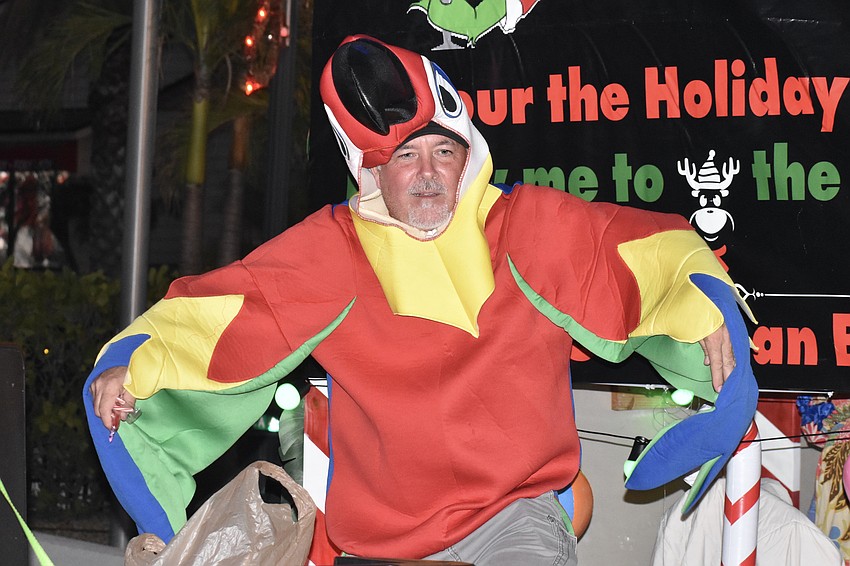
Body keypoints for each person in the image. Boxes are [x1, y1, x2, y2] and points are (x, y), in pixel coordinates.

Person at [86, 35, 756, 565]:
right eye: (406, 157)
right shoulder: (330, 254)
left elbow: (648, 252)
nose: (429, 173)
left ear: (470, 156)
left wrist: (703, 305)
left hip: (514, 518)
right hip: (382, 545)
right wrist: (133, 366)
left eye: (444, 150)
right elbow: (217, 317)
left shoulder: (530, 228)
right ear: (372, 170)